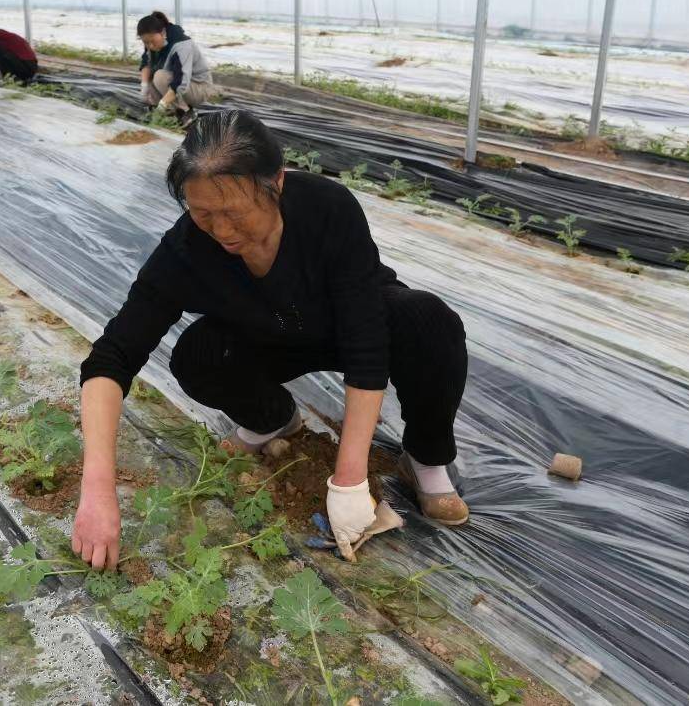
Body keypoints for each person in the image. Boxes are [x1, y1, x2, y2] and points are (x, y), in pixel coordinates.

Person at [71, 110, 470, 571]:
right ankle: (273, 421)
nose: (222, 232)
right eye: (202, 214)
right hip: (267, 336)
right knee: (199, 354)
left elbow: (366, 345)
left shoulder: (327, 209)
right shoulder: (184, 252)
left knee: (428, 321)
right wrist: (97, 489)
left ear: (276, 183)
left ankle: (425, 458)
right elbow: (112, 357)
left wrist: (348, 479)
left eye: (235, 213)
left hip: (344, 326)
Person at [137, 11, 214, 117]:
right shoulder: (153, 42)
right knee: (150, 78)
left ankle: (185, 113)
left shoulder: (180, 45)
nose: (150, 46)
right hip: (180, 85)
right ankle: (167, 113)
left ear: (163, 33)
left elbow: (181, 80)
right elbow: (146, 62)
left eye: (152, 41)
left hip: (199, 87)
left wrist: (163, 104)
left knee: (160, 77)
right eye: (146, 42)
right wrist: (144, 86)